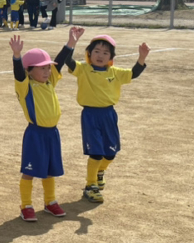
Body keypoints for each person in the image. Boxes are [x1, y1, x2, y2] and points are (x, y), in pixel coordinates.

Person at [62, 33, 149, 203]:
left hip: (108, 115)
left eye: (105, 53)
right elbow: (68, 61)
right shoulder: (83, 69)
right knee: (95, 152)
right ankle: (91, 186)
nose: (100, 55)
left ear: (111, 57)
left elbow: (133, 74)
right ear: (89, 53)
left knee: (110, 153)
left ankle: (100, 172)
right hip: (90, 115)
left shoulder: (114, 72)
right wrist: (72, 42)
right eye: (96, 51)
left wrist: (142, 58)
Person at [11, 29, 77, 222]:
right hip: (35, 134)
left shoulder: (50, 81)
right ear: (29, 71)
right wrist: (17, 56)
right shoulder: (25, 87)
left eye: (48, 68)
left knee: (50, 169)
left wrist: (70, 43)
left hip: (52, 134)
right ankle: (26, 205)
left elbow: (61, 61)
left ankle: (50, 202)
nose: (47, 72)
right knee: (30, 171)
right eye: (42, 68)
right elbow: (18, 75)